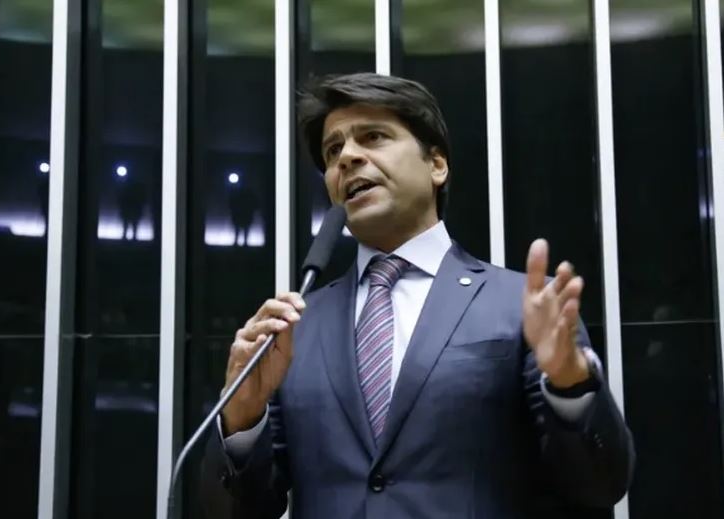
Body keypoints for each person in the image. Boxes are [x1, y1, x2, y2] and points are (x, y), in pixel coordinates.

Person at [200, 72, 634, 518]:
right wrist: (241, 418)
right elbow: (233, 513)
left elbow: (600, 486)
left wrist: (570, 386)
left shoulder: (523, 306)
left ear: (436, 165)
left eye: (373, 137)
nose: (347, 157)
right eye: (333, 151)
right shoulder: (294, 330)